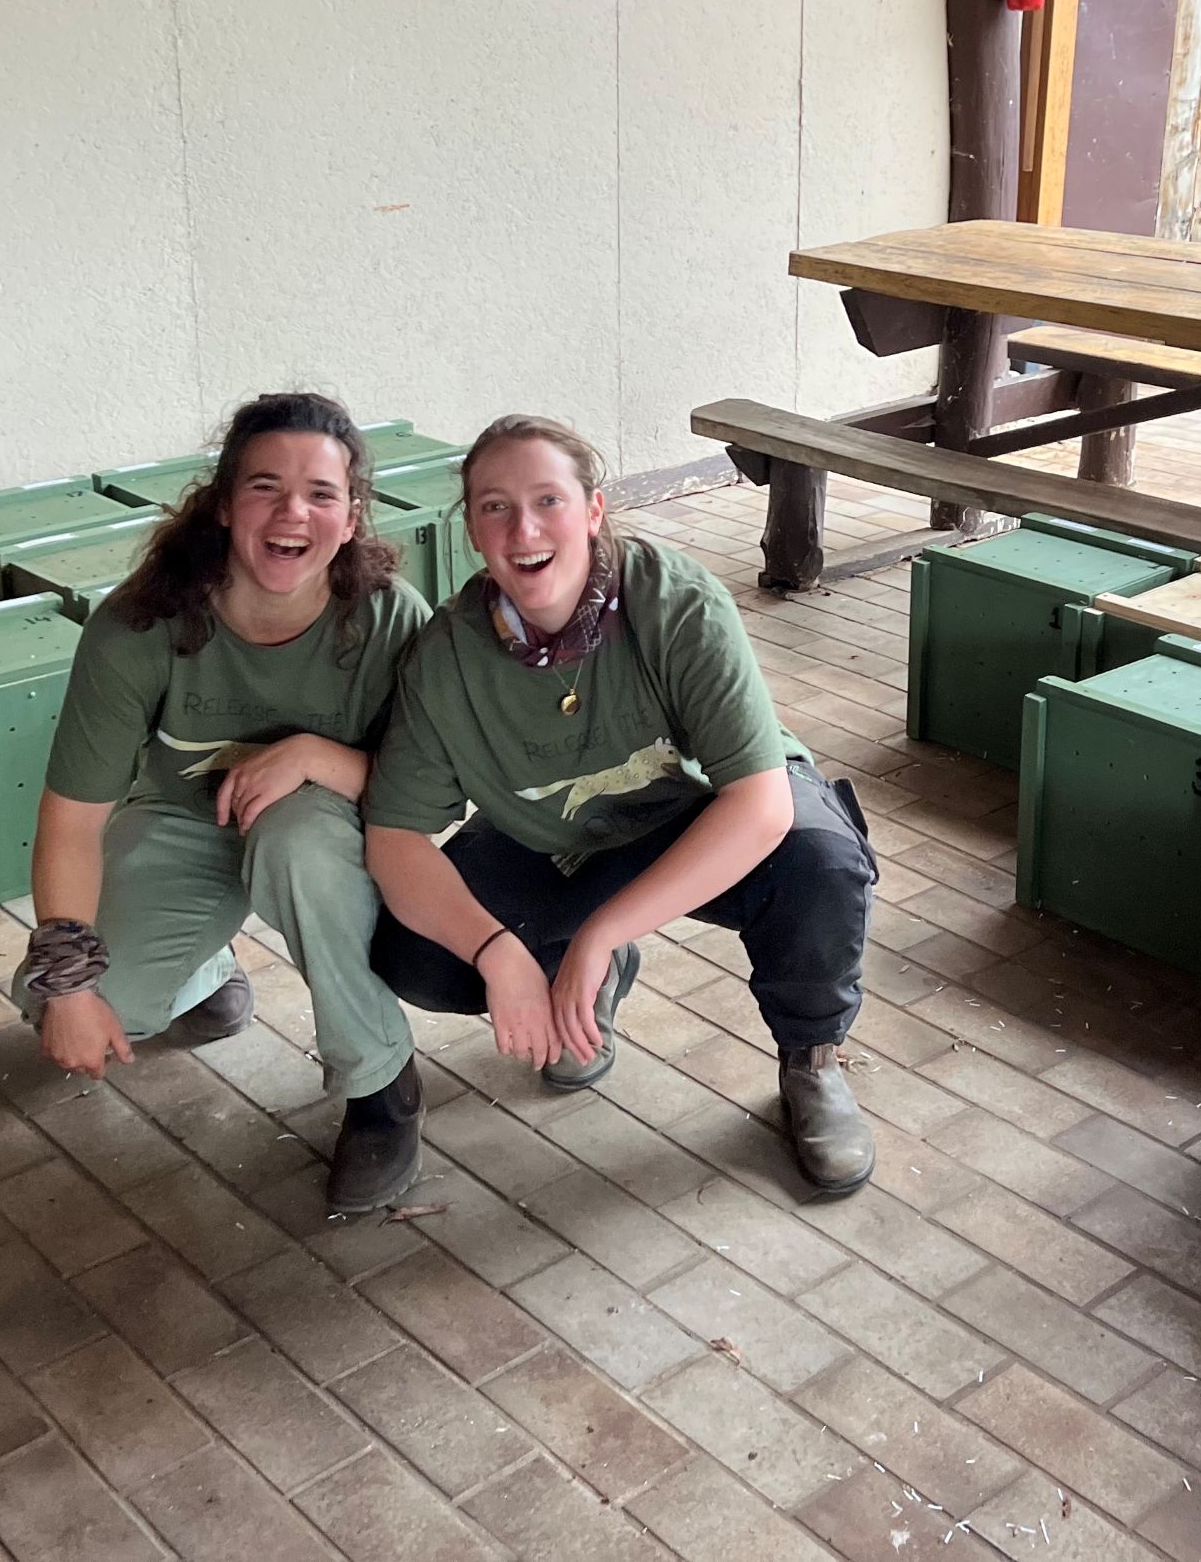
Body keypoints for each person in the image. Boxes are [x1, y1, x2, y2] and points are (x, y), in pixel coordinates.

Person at [363, 414, 879, 1197]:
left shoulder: (675, 601)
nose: (524, 527)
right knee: (414, 947)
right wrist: (500, 951)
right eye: (495, 506)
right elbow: (396, 837)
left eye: (548, 499)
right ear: (470, 528)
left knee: (822, 862)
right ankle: (572, 976)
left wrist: (603, 930)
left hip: (708, 809)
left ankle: (811, 1061)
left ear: (594, 511)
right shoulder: (446, 656)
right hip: (565, 840)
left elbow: (760, 803)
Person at [21, 392, 429, 1213]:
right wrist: (67, 983)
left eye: (321, 493)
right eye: (264, 486)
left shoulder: (389, 621)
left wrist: (313, 757)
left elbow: (434, 795)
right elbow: (71, 819)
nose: (292, 513)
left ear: (352, 517)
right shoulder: (139, 626)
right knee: (66, 1004)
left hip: (325, 830)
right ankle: (202, 969)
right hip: (183, 822)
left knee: (297, 839)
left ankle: (382, 1088)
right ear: (220, 506)